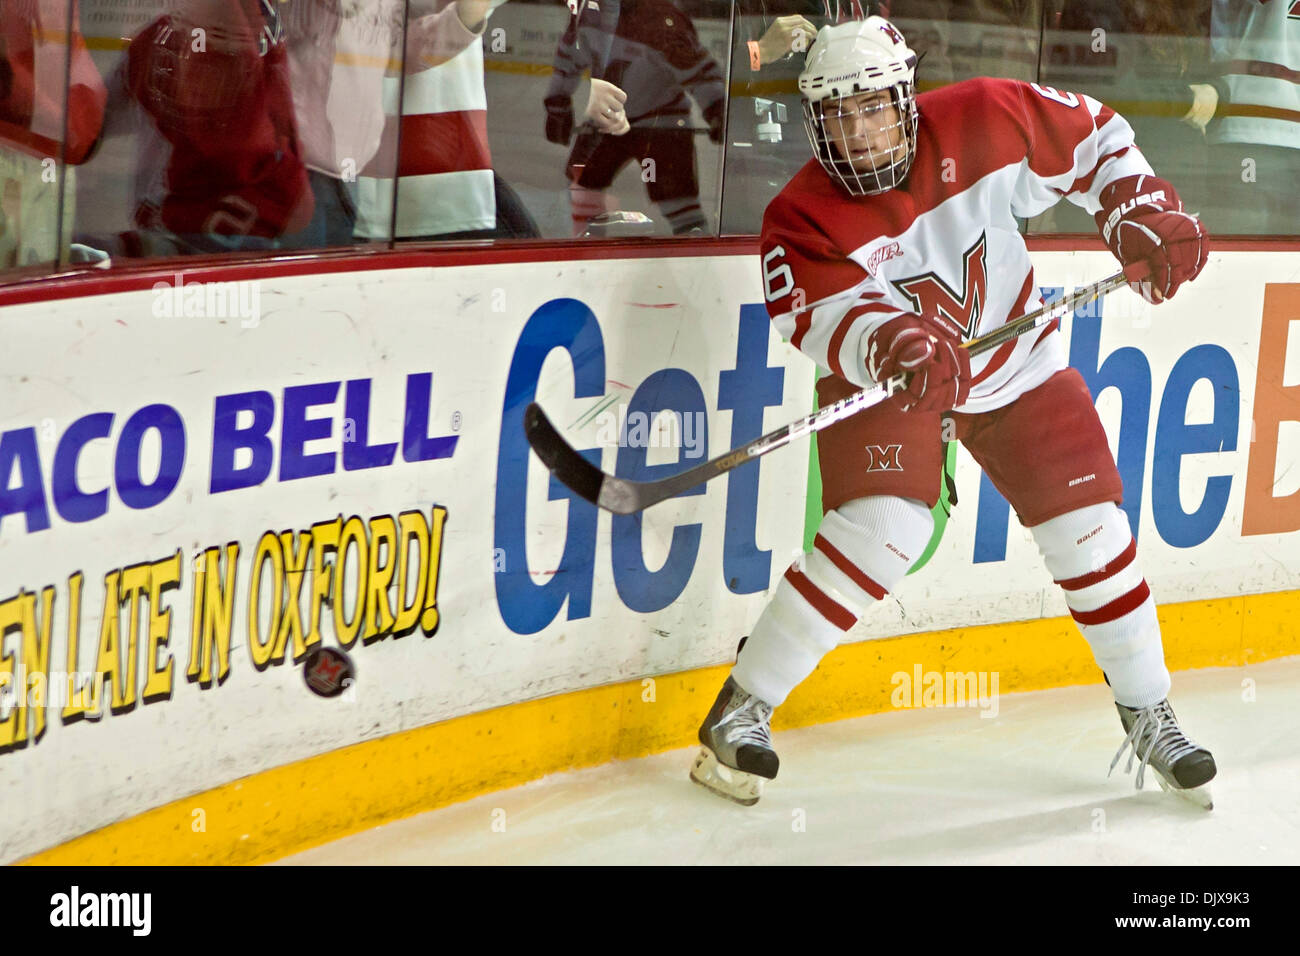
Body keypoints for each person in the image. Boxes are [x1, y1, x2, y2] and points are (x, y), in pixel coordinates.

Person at [690, 17, 1216, 807]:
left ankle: (1149, 713)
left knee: (1094, 534)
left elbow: (1098, 137)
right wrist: (890, 342)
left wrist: (1134, 209)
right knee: (882, 531)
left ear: (907, 98)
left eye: (872, 107)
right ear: (814, 121)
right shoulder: (800, 218)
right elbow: (815, 316)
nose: (858, 132)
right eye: (837, 114)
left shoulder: (985, 116)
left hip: (1016, 362)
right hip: (901, 379)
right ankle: (742, 709)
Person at [543, 0, 727, 235]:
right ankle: (586, 249)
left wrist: (716, 109)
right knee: (582, 189)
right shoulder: (588, 9)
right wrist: (557, 103)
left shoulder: (663, 18)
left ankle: (694, 250)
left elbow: (700, 72)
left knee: (680, 205)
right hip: (606, 120)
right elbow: (569, 55)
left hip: (661, 124)